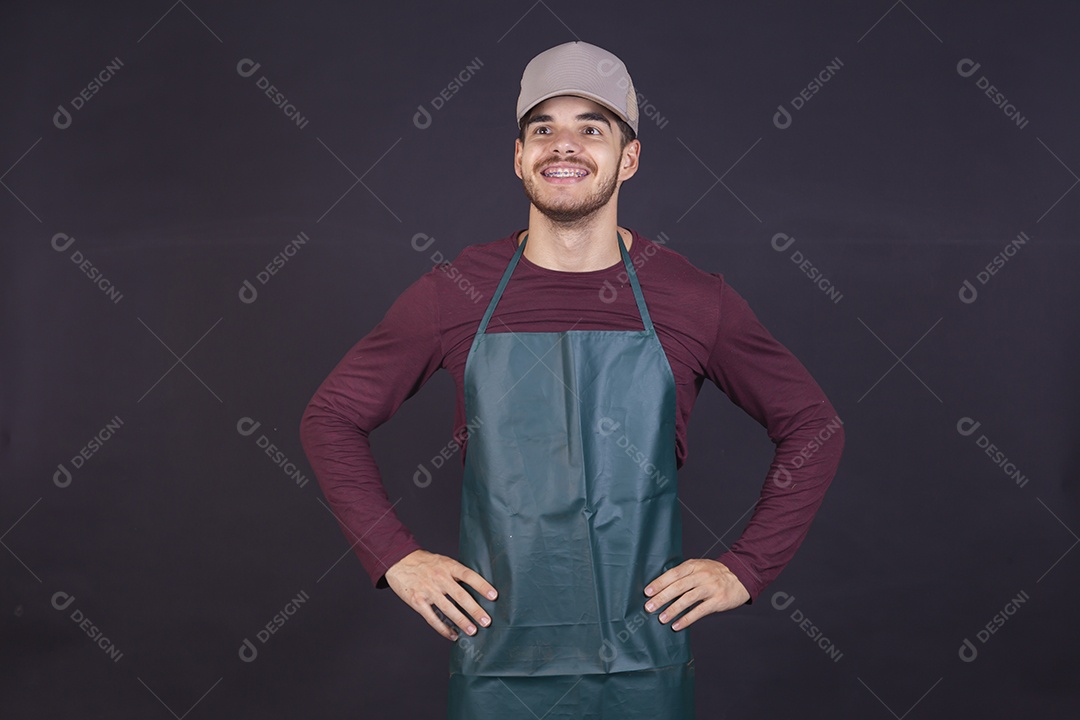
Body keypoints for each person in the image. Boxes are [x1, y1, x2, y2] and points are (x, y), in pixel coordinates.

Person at [300, 40, 844, 720]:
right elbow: (330, 419)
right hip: (499, 665)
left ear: (630, 157)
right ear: (519, 155)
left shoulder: (694, 298)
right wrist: (394, 557)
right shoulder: (454, 294)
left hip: (644, 666)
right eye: (544, 130)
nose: (565, 147)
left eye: (592, 128)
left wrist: (746, 568)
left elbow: (813, 428)